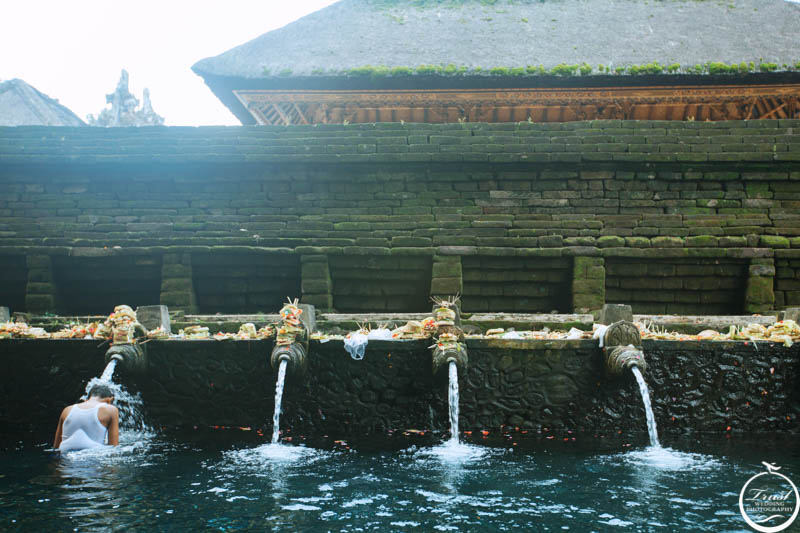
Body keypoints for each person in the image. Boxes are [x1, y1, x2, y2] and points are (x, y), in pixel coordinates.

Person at [53, 384, 119, 451]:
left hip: (65, 457)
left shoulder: (67, 410)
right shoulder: (111, 409)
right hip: (92, 457)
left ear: (86, 400)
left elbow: (56, 448)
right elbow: (113, 448)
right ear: (110, 400)